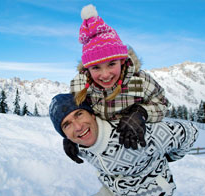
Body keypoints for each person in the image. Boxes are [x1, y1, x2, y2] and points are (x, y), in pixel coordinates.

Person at [64, 4, 170, 164]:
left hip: (138, 144)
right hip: (105, 147)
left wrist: (141, 113)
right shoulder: (80, 84)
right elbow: (76, 111)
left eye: (112, 64)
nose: (105, 75)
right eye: (96, 67)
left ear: (122, 61)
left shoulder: (137, 80)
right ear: (87, 69)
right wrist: (69, 135)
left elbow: (162, 103)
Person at [49, 93, 199, 196]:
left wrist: (171, 156)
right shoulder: (77, 145)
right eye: (66, 125)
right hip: (113, 190)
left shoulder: (133, 134)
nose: (78, 127)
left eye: (79, 114)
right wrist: (70, 140)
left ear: (92, 114)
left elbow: (190, 132)